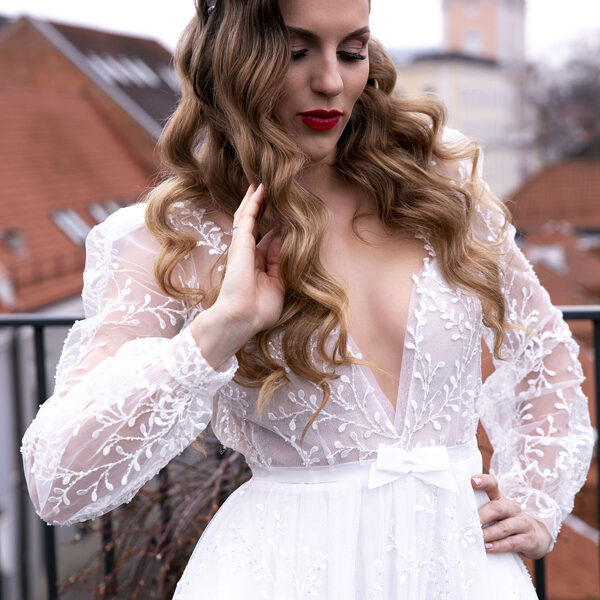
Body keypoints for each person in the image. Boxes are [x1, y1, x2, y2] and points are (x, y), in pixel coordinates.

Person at [21, 0, 594, 597]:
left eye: (351, 51)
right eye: (297, 52)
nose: (331, 81)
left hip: (464, 568)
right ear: (234, 58)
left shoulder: (438, 186)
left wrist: (536, 498)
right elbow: (59, 481)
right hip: (285, 573)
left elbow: (546, 354)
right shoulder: (173, 238)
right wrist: (220, 330)